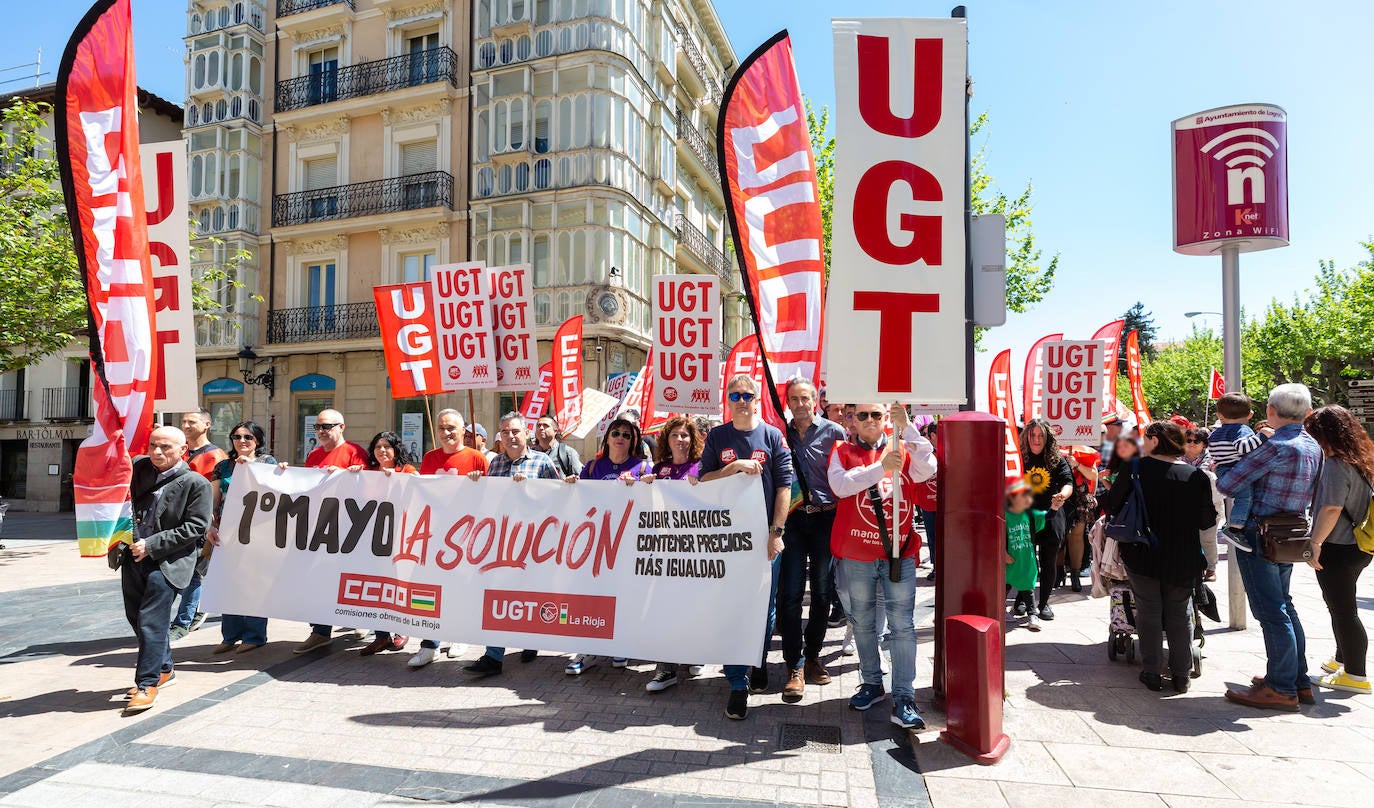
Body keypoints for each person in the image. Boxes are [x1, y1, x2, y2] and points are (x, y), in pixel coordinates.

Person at [827, 402, 937, 729]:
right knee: (862, 622)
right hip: (858, 554)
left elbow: (928, 467)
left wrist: (909, 429)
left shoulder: (902, 446)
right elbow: (841, 485)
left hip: (898, 554)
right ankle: (873, 683)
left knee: (902, 625)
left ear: (886, 417)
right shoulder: (841, 450)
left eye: (877, 414)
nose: (871, 420)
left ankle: (904, 696)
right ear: (852, 422)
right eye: (863, 415)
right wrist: (881, 468)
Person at [1220, 383, 1322, 711]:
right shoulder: (1312, 446)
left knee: (1271, 611)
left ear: (1270, 411)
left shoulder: (1275, 445)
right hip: (1291, 533)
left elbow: (1227, 483)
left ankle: (1280, 687)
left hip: (1259, 533)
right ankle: (1297, 680)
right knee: (1285, 606)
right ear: (1306, 412)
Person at [697, 374, 793, 720]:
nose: (740, 400)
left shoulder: (772, 436)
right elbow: (702, 479)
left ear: (757, 399)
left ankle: (759, 659)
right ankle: (737, 683)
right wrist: (734, 467)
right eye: (734, 395)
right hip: (726, 540)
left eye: (746, 395)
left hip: (763, 539)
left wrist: (776, 532)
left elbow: (784, 487)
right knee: (731, 610)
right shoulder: (718, 436)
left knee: (763, 610)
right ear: (728, 399)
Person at [1105, 420, 1217, 693]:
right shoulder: (1197, 476)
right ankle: (1181, 675)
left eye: (1145, 437)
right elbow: (1207, 522)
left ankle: (1152, 671)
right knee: (1180, 613)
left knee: (1148, 610)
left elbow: (1111, 505)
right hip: (1184, 556)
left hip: (1143, 553)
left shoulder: (1134, 469)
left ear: (1155, 440)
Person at [113, 426, 212, 713]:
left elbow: (195, 527)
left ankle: (147, 684)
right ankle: (165, 667)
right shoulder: (141, 470)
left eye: (166, 447)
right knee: (135, 617)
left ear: (183, 450)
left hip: (168, 562)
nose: (157, 452)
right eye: (153, 445)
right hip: (132, 557)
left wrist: (152, 544)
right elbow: (118, 465)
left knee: (151, 621)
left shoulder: (197, 484)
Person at [462, 412, 562, 677]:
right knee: (497, 596)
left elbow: (561, 497)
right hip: (503, 544)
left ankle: (531, 640)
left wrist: (531, 489)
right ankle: (493, 656)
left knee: (529, 595)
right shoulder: (494, 465)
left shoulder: (542, 462)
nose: (510, 436)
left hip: (534, 544)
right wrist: (475, 483)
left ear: (526, 433)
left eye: (515, 431)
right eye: (505, 432)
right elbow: (487, 500)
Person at [562, 415, 653, 675]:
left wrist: (646, 486)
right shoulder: (592, 467)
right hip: (595, 543)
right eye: (616, 433)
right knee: (592, 595)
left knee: (623, 594)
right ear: (608, 437)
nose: (621, 438)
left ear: (633, 440)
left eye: (627, 434)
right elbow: (577, 499)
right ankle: (587, 648)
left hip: (628, 543)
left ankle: (620, 644)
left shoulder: (644, 467)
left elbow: (654, 504)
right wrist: (570, 485)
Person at [775, 378, 846, 703]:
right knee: (789, 595)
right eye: (794, 399)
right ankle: (795, 664)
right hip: (791, 521)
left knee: (820, 592)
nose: (800, 403)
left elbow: (846, 476)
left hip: (824, 519)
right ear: (787, 402)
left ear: (815, 400)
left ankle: (813, 654)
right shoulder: (780, 434)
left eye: (805, 398)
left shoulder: (834, 432)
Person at [1303, 405, 1374, 695]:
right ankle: (1341, 660)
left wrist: (1314, 543)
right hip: (1360, 544)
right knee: (1341, 606)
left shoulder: (1335, 464)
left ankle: (1356, 675)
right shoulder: (1362, 459)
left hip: (1338, 545)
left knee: (1343, 610)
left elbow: (1331, 508)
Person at [412, 409, 489, 667]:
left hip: (467, 537)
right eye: (442, 428)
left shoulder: (478, 459)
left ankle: (459, 635)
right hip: (434, 536)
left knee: (460, 588)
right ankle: (428, 645)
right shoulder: (429, 458)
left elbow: (494, 495)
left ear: (463, 431)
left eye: (451, 428)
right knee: (430, 590)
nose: (446, 433)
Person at [291, 409, 370, 654]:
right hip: (320, 526)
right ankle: (320, 631)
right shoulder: (314, 455)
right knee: (318, 579)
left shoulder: (355, 453)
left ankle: (361, 618)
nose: (322, 431)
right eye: (318, 427)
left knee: (351, 576)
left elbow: (367, 488)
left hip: (349, 526)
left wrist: (351, 475)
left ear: (341, 427)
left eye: (327, 426)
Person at [643, 416, 706, 692]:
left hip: (695, 549)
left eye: (685, 435)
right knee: (665, 607)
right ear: (666, 440)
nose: (680, 440)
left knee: (692, 604)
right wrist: (641, 484)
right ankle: (666, 668)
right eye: (674, 435)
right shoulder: (659, 469)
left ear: (693, 439)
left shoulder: (703, 467)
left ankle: (693, 652)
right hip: (664, 549)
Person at [207, 421, 275, 655]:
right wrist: (210, 525)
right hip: (227, 532)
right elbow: (213, 499)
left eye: (248, 436)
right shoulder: (223, 466)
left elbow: (275, 492)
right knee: (229, 584)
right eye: (237, 436)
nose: (242, 441)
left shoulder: (267, 463)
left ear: (257, 440)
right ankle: (230, 635)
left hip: (258, 533)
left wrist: (250, 469)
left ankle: (255, 636)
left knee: (253, 585)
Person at [349, 431, 418, 657]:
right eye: (378, 446)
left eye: (387, 446)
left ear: (396, 450)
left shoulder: (406, 471)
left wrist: (398, 479)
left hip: (400, 538)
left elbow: (418, 487)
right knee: (377, 584)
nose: (382, 450)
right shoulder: (368, 472)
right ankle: (381, 635)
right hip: (373, 539)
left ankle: (402, 629)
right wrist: (351, 475)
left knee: (398, 584)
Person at [170, 408, 227, 640]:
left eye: (191, 421)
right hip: (176, 521)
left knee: (194, 571)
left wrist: (210, 520)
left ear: (206, 425)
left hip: (198, 521)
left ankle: (186, 618)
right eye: (183, 421)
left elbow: (217, 492)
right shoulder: (180, 452)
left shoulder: (216, 455)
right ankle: (194, 610)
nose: (186, 425)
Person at [1019, 418, 1074, 619]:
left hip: (1052, 512)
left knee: (1048, 559)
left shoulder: (1057, 459)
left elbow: (1068, 483)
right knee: (1026, 558)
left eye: (1041, 435)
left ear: (1047, 437)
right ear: (1027, 436)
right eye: (1033, 435)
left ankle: (1044, 604)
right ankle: (1023, 600)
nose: (1036, 439)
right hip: (1024, 514)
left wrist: (1062, 495)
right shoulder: (1019, 457)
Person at [1209, 393, 1267, 545]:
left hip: (1222, 470)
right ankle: (1235, 528)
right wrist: (1262, 436)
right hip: (1236, 470)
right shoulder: (1242, 429)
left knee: (1241, 497)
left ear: (1219, 415)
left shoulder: (1215, 433)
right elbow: (1243, 448)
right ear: (1250, 414)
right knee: (1245, 498)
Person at [1005, 478, 1045, 631]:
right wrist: (1003, 552)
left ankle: (1033, 614)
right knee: (1005, 584)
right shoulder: (1006, 516)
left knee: (1028, 586)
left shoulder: (1030, 514)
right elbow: (1000, 535)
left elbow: (1046, 517)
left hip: (1026, 558)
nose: (1028, 500)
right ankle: (1001, 610)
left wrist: (1054, 508)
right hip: (1010, 558)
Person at [1061, 445, 1100, 593]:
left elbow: (1093, 475)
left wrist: (1077, 464)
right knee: (1059, 536)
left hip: (1079, 498)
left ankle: (1075, 576)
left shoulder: (1086, 451)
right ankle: (1058, 573)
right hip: (1059, 495)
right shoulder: (1052, 447)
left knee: (1076, 536)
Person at [915, 421, 940, 582]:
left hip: (946, 505)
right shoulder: (925, 454)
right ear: (931, 436)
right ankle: (936, 567)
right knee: (932, 538)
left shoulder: (950, 451)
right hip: (928, 503)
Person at [533, 414, 582, 478]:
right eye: (538, 425)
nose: (541, 428)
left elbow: (579, 479)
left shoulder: (568, 452)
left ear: (555, 430)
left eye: (546, 426)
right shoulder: (530, 454)